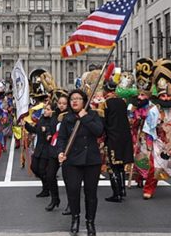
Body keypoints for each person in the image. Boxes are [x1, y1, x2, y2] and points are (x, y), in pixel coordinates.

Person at [57, 89, 104, 236]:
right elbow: (62, 138)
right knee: (73, 191)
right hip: (72, 161)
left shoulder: (93, 115)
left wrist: (85, 118)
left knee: (91, 194)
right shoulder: (66, 118)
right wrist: (60, 152)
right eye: (72, 99)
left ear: (84, 101)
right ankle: (75, 219)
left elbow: (99, 131)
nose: (74, 101)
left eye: (78, 98)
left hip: (91, 160)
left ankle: (90, 222)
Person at [102, 80, 134, 203]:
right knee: (120, 166)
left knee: (112, 167)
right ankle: (122, 190)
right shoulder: (122, 102)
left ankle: (117, 194)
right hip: (124, 137)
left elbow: (104, 122)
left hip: (112, 137)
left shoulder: (105, 104)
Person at [24, 103, 54, 199]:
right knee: (34, 167)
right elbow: (35, 130)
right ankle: (47, 185)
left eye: (48, 109)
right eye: (45, 109)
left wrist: (47, 131)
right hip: (39, 148)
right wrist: (26, 125)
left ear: (52, 111)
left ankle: (46, 189)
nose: (45, 111)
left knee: (41, 169)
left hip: (47, 149)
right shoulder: (41, 119)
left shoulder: (54, 121)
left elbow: (55, 133)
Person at [49, 94, 71, 214]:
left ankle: (70, 204)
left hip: (67, 149)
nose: (61, 105)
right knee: (50, 175)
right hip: (54, 149)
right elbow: (50, 127)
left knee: (68, 179)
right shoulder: (54, 114)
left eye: (64, 103)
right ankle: (55, 199)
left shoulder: (70, 116)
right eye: (60, 103)